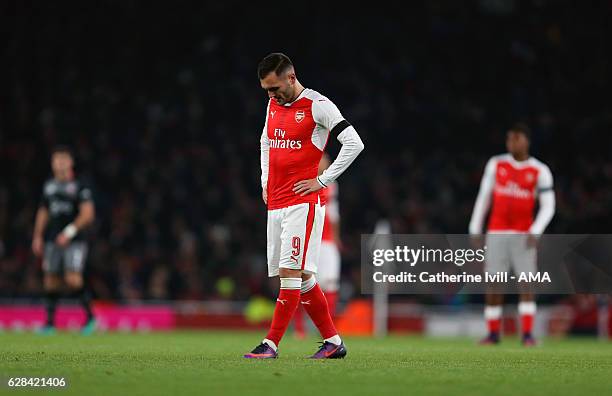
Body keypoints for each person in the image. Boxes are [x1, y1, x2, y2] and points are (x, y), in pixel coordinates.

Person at [244, 53, 364, 359]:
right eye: (267, 90)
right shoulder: (273, 104)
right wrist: (265, 180)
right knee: (304, 277)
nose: (271, 95)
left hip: (303, 203)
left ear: (291, 78)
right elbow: (265, 141)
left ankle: (270, 344)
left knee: (290, 271)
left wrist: (323, 180)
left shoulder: (318, 105)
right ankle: (333, 342)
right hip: (278, 201)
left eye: (275, 88)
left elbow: (354, 143)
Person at [469, 123, 555, 346]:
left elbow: (549, 206)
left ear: (526, 141)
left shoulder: (539, 170)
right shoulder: (496, 164)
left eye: (516, 139)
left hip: (523, 234)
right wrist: (475, 227)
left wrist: (536, 230)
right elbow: (484, 196)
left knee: (526, 284)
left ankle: (527, 334)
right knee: (494, 284)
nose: (512, 143)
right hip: (496, 232)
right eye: (509, 139)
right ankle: (493, 333)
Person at [31, 146, 96, 334]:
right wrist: (37, 236)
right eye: (56, 160)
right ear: (52, 164)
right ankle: (50, 324)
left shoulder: (80, 185)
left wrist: (68, 233)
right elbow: (43, 212)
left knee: (73, 279)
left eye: (63, 159)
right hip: (52, 239)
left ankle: (91, 319)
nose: (59, 163)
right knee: (50, 279)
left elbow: (88, 214)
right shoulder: (49, 186)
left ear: (70, 162)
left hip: (74, 240)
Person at [292, 154, 342, 339]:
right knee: (302, 283)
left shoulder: (332, 184)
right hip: (310, 239)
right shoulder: (304, 181)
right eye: (322, 159)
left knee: (330, 283)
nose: (326, 163)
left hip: (328, 242)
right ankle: (299, 329)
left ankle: (329, 330)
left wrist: (336, 238)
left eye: (327, 160)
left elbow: (334, 214)